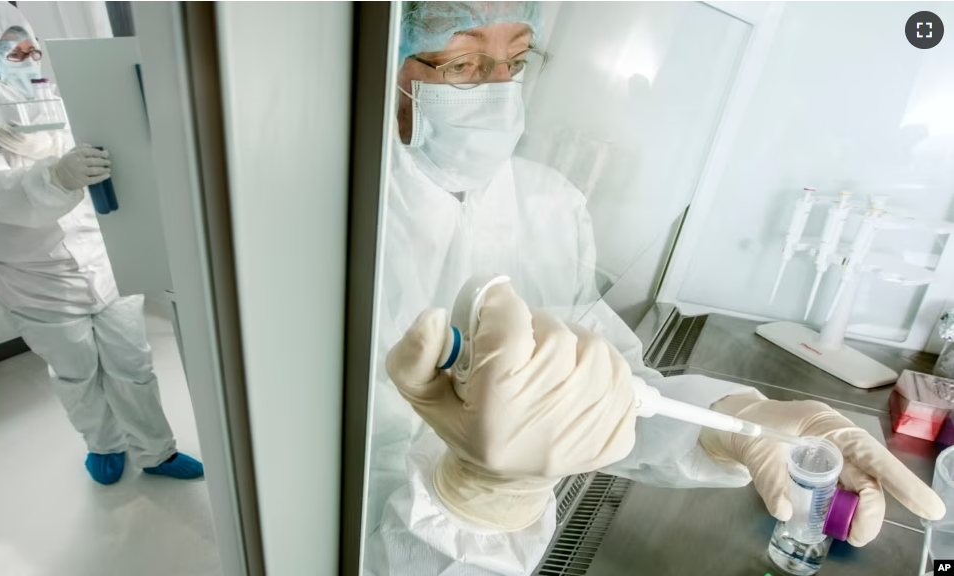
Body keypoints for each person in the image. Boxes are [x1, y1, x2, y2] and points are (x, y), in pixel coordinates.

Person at [363, 3, 945, 575]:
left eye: (515, 60)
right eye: (462, 64)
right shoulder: (348, 222)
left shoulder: (549, 205)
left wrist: (730, 421)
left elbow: (615, 390)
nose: (496, 88)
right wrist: (477, 494)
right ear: (384, 59)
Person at [0, 1, 203, 485]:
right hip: (35, 281)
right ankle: (104, 444)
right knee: (77, 374)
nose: (31, 59)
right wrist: (53, 177)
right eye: (14, 52)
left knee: (133, 364)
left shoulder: (66, 100)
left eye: (32, 48)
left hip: (106, 263)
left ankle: (156, 451)